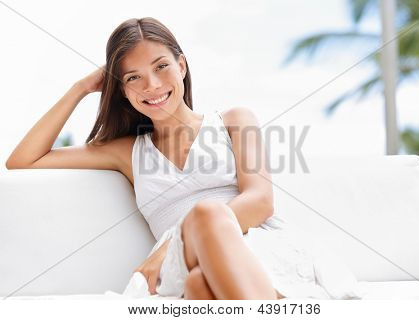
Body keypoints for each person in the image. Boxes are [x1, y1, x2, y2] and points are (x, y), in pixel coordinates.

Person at [5, 17, 315, 300]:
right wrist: (81, 87)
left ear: (182, 66)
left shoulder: (234, 120)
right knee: (195, 277)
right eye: (133, 77)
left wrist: (171, 244)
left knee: (203, 252)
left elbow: (261, 201)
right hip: (181, 267)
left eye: (161, 67)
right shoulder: (127, 152)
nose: (151, 85)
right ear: (122, 91)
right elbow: (23, 160)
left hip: (253, 246)